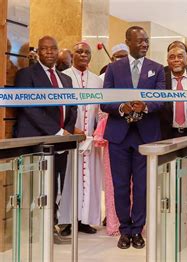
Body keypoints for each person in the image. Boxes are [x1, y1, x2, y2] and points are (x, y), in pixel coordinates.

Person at [100, 26, 165, 250]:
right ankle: (124, 230)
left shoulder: (157, 69)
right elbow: (104, 102)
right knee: (120, 186)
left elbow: (162, 99)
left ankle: (138, 230)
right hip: (119, 136)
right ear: (128, 42)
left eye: (147, 41)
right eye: (140, 41)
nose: (145, 45)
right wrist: (121, 107)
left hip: (145, 137)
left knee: (141, 187)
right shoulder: (113, 68)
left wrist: (145, 106)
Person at [13, 36, 77, 243]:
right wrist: (57, 132)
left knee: (53, 187)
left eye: (53, 49)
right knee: (32, 188)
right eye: (44, 49)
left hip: (59, 144)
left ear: (58, 51)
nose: (49, 52)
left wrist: (66, 132)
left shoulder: (65, 79)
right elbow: (29, 107)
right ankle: (28, 231)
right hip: (35, 141)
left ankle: (50, 228)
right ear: (38, 52)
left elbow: (72, 108)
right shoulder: (26, 75)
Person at [59, 41, 103, 236]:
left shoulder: (97, 81)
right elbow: (59, 110)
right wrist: (71, 128)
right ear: (72, 55)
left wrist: (98, 130)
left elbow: (101, 111)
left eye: (87, 52)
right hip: (70, 138)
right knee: (69, 179)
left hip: (90, 140)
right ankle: (67, 220)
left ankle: (85, 219)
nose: (83, 55)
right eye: (79, 52)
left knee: (89, 180)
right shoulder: (64, 78)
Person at [159, 45, 187, 140]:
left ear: (186, 58)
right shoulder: (161, 81)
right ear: (167, 61)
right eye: (172, 57)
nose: (176, 60)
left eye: (180, 56)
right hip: (167, 135)